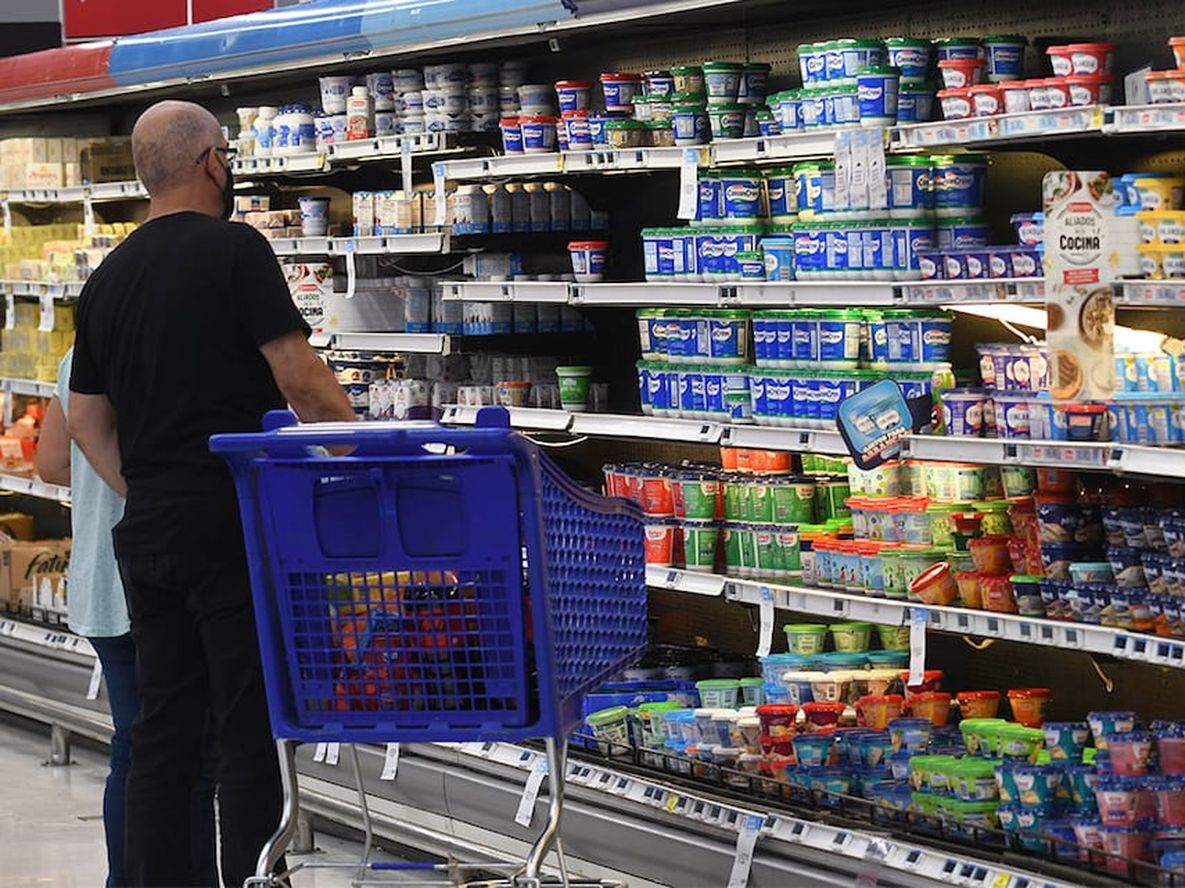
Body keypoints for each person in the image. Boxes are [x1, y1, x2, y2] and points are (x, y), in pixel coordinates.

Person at [67, 100, 356, 887]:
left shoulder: (108, 278)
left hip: (150, 532)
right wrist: (366, 463)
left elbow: (85, 418)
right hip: (231, 519)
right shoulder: (236, 249)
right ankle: (253, 880)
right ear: (211, 163)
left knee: (162, 732)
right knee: (244, 728)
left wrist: (148, 486)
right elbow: (302, 381)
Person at [37, 348, 220, 888]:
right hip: (161, 575)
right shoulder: (176, 345)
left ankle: (131, 878)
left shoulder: (79, 356)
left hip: (99, 577)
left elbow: (49, 464)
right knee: (191, 758)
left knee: (135, 747)